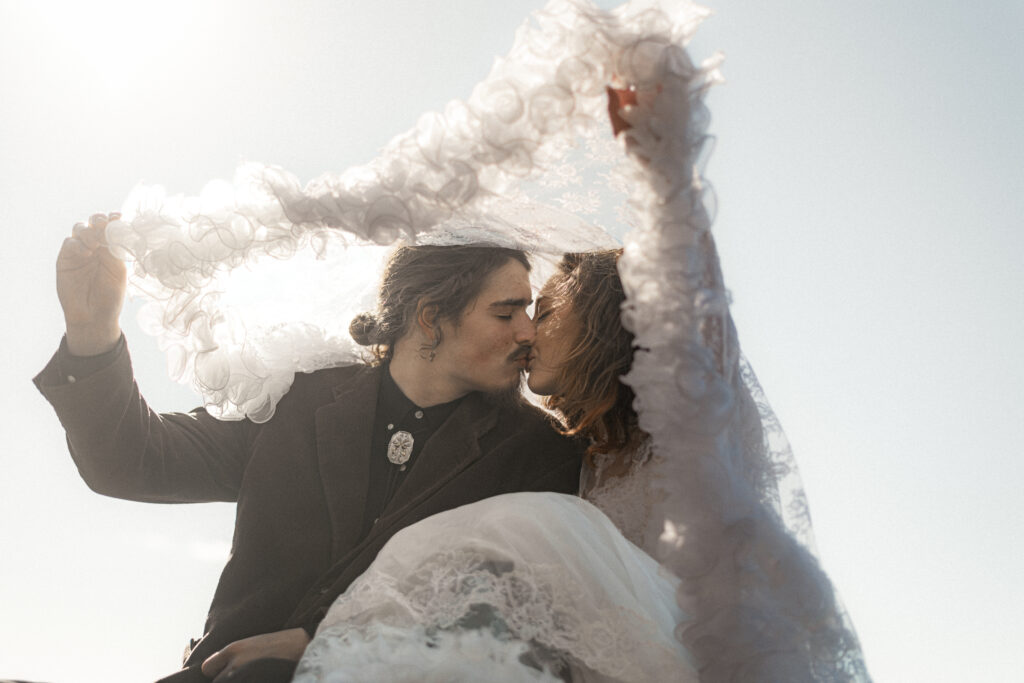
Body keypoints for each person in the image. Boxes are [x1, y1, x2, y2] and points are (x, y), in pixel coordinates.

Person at [33, 235, 585, 682]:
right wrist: (92, 330)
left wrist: (326, 642)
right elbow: (133, 461)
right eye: (506, 312)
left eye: (527, 312)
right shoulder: (297, 399)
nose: (528, 332)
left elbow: (516, 617)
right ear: (430, 317)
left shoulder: (537, 454)